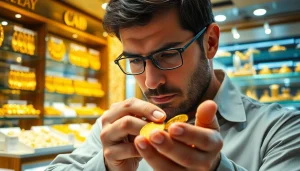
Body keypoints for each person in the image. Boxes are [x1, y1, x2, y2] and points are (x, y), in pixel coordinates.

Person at [47, 0, 300, 170]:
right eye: (135, 60)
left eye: (168, 54)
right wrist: (105, 166)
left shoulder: (282, 132)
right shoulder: (121, 128)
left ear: (210, 42)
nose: (150, 82)